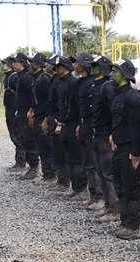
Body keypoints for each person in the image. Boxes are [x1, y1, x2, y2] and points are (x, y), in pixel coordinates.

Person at [107, 59, 140, 237]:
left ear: (124, 75)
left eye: (115, 71)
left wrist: (136, 153)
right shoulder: (117, 95)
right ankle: (125, 221)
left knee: (132, 189)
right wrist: (113, 136)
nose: (111, 74)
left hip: (131, 150)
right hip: (119, 147)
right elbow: (117, 121)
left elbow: (139, 128)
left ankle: (133, 226)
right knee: (121, 187)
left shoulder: (134, 97)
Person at [53, 56, 88, 198]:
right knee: (68, 157)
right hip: (65, 123)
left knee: (77, 157)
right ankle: (75, 187)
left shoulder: (72, 83)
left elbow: (72, 105)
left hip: (72, 123)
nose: (57, 69)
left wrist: (64, 121)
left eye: (59, 66)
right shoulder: (61, 82)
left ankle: (81, 188)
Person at [89, 55, 119, 217]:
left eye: (96, 66)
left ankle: (114, 209)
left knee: (108, 173)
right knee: (100, 170)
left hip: (106, 135)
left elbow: (115, 111)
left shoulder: (107, 86)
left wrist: (113, 133)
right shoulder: (96, 85)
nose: (93, 69)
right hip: (97, 133)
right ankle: (108, 205)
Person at [72, 53, 103, 205]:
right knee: (88, 162)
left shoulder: (94, 83)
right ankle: (92, 195)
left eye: (76, 63)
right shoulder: (79, 83)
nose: (74, 66)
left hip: (93, 125)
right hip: (84, 124)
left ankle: (99, 196)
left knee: (95, 162)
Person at [44, 55, 71, 192]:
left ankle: (66, 181)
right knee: (56, 151)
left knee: (64, 152)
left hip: (63, 120)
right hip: (54, 117)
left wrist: (60, 122)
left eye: (56, 66)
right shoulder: (56, 80)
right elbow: (53, 100)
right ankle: (61, 179)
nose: (52, 67)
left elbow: (67, 104)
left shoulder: (71, 82)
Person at [12, 53, 40, 180]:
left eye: (15, 62)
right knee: (23, 139)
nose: (13, 64)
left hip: (27, 112)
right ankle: (31, 166)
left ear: (22, 63)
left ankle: (34, 167)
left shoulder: (27, 77)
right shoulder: (20, 76)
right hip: (21, 111)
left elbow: (34, 95)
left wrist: (32, 109)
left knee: (29, 140)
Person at [30, 53, 57, 182]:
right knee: (41, 146)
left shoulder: (45, 79)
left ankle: (51, 174)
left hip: (44, 116)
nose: (31, 65)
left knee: (47, 147)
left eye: (33, 63)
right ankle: (46, 173)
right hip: (38, 115)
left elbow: (48, 101)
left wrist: (46, 118)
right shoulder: (37, 78)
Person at [2, 56, 26, 171]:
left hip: (14, 110)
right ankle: (20, 161)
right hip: (9, 110)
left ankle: (21, 162)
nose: (4, 66)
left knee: (18, 136)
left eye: (6, 64)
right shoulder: (8, 77)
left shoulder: (15, 77)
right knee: (14, 135)